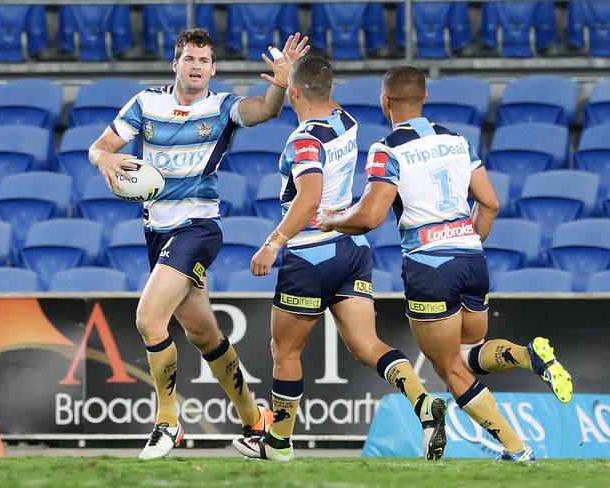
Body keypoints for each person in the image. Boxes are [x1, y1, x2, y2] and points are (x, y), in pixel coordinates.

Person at [317, 65, 573, 462]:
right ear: (426, 98)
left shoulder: (387, 149)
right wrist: (465, 243)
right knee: (470, 350)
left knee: (448, 367)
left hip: (428, 266)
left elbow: (369, 217)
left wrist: (331, 219)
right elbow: (490, 203)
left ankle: (517, 449)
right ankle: (529, 355)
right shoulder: (458, 141)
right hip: (471, 259)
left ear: (385, 101)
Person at [88, 29, 310, 460]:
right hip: (157, 230)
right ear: (176, 64)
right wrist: (105, 158)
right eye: (189, 58)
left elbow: (263, 110)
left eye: (204, 60)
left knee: (150, 320)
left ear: (213, 68)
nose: (196, 66)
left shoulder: (222, 106)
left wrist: (280, 85)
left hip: (198, 227)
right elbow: (100, 146)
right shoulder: (145, 103)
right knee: (203, 332)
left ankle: (168, 422)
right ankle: (254, 420)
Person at [232, 55, 447, 463]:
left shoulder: (302, 141)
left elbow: (309, 196)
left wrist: (273, 243)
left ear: (294, 92)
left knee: (286, 352)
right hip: (351, 250)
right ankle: (422, 401)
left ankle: (277, 443)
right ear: (330, 90)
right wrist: (294, 75)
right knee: (368, 345)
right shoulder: (346, 121)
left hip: (310, 256)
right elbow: (315, 92)